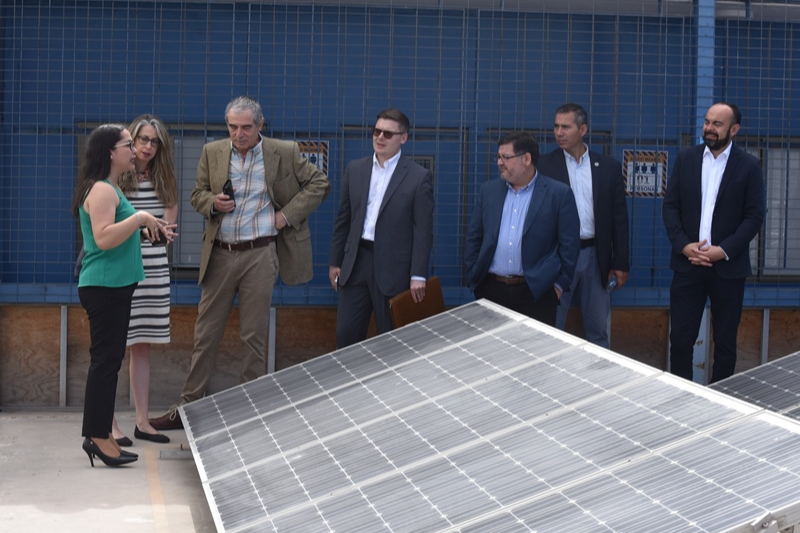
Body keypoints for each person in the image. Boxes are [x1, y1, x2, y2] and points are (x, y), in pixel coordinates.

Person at [149, 96, 330, 430]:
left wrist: (284, 217)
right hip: (219, 253)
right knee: (205, 334)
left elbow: (319, 183)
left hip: (260, 253)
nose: (239, 134)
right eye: (233, 127)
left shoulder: (283, 152)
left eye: (246, 127)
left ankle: (251, 412)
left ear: (260, 125)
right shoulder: (213, 152)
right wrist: (213, 204)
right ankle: (188, 407)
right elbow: (196, 195)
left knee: (253, 336)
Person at [72, 124, 174, 466]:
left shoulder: (110, 187)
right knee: (105, 364)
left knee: (109, 362)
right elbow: (102, 239)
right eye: (128, 144)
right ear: (110, 153)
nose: (135, 149)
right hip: (104, 287)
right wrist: (142, 217)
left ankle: (99, 435)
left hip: (113, 285)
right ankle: (99, 437)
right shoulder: (102, 190)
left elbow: (116, 236)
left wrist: (148, 231)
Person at [663, 102, 765, 383]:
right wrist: (684, 245)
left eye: (717, 124)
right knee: (681, 341)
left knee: (725, 345)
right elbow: (670, 207)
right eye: (707, 122)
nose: (709, 128)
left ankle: (722, 398)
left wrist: (724, 250)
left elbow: (754, 217)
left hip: (727, 270)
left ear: (734, 129)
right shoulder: (686, 159)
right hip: (688, 266)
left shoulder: (749, 166)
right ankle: (682, 397)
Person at [328, 108, 434, 348]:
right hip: (355, 263)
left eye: (388, 133)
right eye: (376, 131)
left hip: (393, 269)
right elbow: (344, 219)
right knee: (346, 336)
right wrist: (335, 261)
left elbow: (422, 230)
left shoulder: (419, 177)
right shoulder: (355, 169)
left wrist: (418, 274)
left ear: (403, 138)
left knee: (391, 342)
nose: (380, 137)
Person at [536, 103, 630, 348]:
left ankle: (601, 381)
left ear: (583, 129)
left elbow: (619, 218)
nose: (558, 132)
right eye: (556, 126)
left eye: (565, 127)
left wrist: (620, 263)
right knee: (550, 328)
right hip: (557, 256)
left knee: (597, 329)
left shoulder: (608, 167)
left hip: (595, 257)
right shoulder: (543, 166)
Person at [110, 114, 179, 445]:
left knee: (142, 347)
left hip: (153, 267)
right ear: (132, 141)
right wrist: (142, 227)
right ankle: (107, 424)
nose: (148, 147)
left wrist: (163, 231)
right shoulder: (117, 176)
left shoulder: (165, 176)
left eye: (154, 141)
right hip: (121, 265)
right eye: (143, 140)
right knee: (112, 347)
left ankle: (142, 421)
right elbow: (108, 225)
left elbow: (168, 221)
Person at [465, 131, 580, 326]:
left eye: (506, 157)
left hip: (537, 292)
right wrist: (473, 277)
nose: (500, 162)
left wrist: (558, 288)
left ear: (526, 159)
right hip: (491, 289)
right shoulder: (488, 191)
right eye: (498, 157)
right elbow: (474, 237)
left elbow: (569, 246)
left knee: (533, 353)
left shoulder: (558, 194)